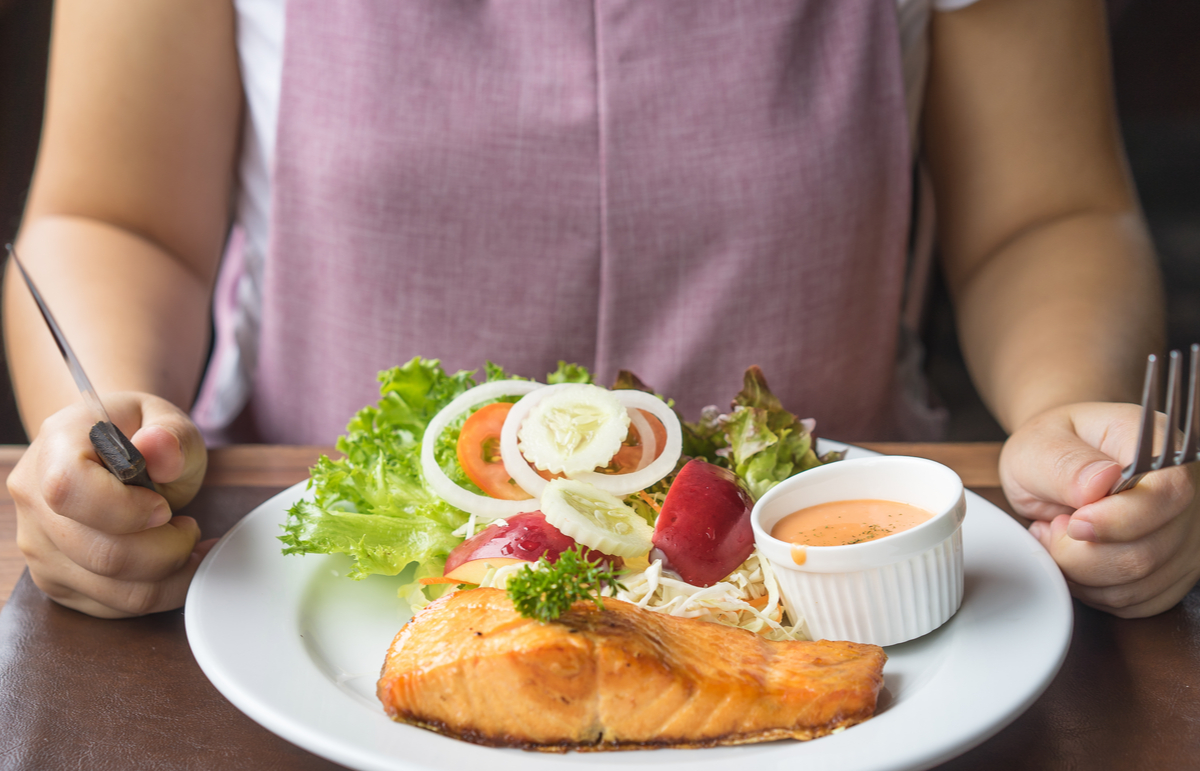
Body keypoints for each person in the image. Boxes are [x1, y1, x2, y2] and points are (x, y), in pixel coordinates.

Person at [3, 0, 1197, 619]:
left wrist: (1060, 419)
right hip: (316, 603)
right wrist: (106, 444)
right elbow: (117, 216)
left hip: (836, 586)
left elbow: (1047, 214)